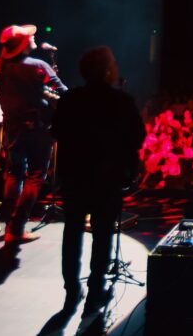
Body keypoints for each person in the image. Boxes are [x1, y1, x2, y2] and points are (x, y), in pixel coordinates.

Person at [52, 46, 146, 314]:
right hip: (107, 179)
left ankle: (72, 291)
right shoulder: (121, 101)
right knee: (102, 236)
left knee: (72, 233)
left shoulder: (71, 99)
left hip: (74, 177)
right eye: (113, 64)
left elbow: (57, 131)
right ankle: (96, 292)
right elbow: (137, 137)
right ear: (106, 70)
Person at [0, 24, 67, 244]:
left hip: (12, 128)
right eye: (29, 37)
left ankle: (9, 226)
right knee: (35, 177)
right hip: (38, 130)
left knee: (14, 176)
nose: (34, 37)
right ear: (23, 45)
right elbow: (64, 93)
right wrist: (47, 96)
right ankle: (17, 228)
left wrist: (38, 92)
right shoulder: (38, 66)